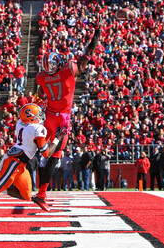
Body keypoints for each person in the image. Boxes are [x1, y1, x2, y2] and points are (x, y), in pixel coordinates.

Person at [0, 103, 67, 233]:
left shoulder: (21, 122)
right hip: (13, 164)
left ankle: (1, 189)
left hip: (19, 164)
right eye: (37, 115)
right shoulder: (37, 129)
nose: (40, 116)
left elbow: (29, 120)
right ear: (31, 118)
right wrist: (57, 139)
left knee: (27, 195)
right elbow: (46, 154)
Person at [33, 15, 103, 207]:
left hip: (48, 116)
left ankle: (32, 170)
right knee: (54, 157)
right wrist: (96, 34)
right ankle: (41, 193)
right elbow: (87, 54)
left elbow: (41, 94)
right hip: (62, 119)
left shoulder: (41, 77)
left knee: (39, 151)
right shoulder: (68, 70)